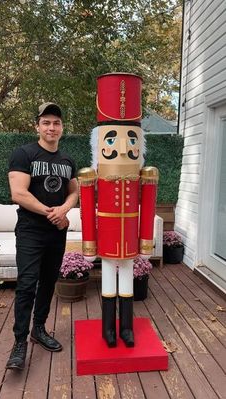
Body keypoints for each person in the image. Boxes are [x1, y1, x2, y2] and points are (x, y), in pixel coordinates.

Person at [78, 73, 158, 348]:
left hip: (129, 241)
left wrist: (145, 242)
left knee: (126, 280)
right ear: (98, 144)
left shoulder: (144, 175)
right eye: (111, 140)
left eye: (131, 139)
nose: (123, 147)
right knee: (108, 284)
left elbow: (147, 207)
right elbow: (87, 208)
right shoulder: (92, 176)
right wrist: (89, 245)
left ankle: (126, 328)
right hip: (108, 238)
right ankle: (107, 330)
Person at [6, 102, 78, 370]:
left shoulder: (68, 160)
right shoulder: (23, 154)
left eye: (56, 123)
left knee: (49, 281)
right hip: (31, 231)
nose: (51, 127)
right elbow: (19, 193)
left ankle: (39, 329)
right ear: (37, 126)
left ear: (62, 128)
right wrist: (52, 213)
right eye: (46, 122)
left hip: (56, 233)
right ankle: (19, 342)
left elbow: (74, 191)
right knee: (26, 285)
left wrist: (65, 209)